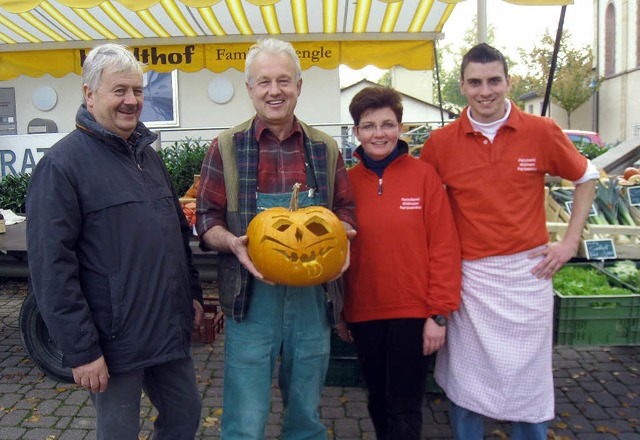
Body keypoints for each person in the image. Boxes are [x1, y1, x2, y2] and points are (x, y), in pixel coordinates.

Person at [420, 43, 599, 440]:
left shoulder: (542, 131)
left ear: (508, 81)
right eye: (475, 82)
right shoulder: (441, 143)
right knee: (467, 385)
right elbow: (425, 208)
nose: (486, 91)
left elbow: (588, 177)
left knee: (528, 385)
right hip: (469, 281)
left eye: (494, 80)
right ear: (462, 88)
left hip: (527, 276)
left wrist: (570, 242)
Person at [26, 43, 204, 440]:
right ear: (90, 95)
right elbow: (51, 268)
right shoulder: (61, 166)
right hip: (113, 340)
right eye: (119, 91)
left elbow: (174, 231)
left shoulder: (147, 156)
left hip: (166, 328)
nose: (132, 101)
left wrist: (191, 293)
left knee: (185, 415)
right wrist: (82, 350)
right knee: (119, 432)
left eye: (138, 91)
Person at [195, 37, 356, 439]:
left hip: (313, 298)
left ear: (299, 86)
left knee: (305, 413)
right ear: (250, 89)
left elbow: (345, 209)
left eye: (284, 80)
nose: (274, 91)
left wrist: (344, 239)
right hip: (251, 300)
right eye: (264, 82)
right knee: (245, 420)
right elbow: (206, 219)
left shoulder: (325, 148)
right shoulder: (227, 148)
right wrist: (230, 242)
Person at [339, 85, 462, 439]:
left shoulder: (424, 177)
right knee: (378, 399)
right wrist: (343, 312)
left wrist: (438, 313)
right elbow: (337, 252)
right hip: (365, 310)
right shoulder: (345, 184)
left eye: (388, 124)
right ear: (357, 132)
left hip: (413, 311)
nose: (379, 133)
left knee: (405, 402)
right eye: (369, 125)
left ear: (400, 128)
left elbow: (444, 247)